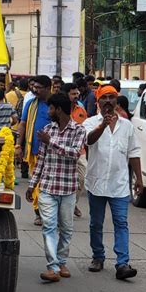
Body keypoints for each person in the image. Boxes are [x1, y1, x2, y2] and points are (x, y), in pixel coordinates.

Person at [83, 85, 143, 280]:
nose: (108, 101)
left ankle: (122, 263)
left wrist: (139, 179)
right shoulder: (90, 123)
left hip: (119, 184)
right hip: (97, 182)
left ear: (117, 100)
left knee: (121, 223)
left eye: (112, 97)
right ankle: (98, 257)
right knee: (96, 223)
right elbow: (88, 141)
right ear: (98, 102)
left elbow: (134, 153)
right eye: (104, 98)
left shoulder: (127, 126)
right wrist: (102, 126)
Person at [26, 93, 86, 282]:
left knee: (66, 229)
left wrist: (50, 142)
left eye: (51, 108)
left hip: (68, 189)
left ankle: (62, 262)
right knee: (49, 227)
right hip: (47, 187)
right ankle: (52, 267)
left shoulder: (78, 130)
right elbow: (41, 161)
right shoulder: (47, 130)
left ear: (58, 110)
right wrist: (31, 185)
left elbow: (75, 154)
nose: (49, 112)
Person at [15, 75, 52, 225]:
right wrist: (18, 146)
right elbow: (22, 124)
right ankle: (39, 212)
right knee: (36, 184)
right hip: (34, 150)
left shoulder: (56, 104)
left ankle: (49, 212)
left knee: (47, 184)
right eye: (33, 87)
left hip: (52, 151)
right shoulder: (30, 104)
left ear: (48, 88)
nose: (34, 90)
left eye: (38, 88)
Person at [63, 82, 87, 217]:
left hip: (80, 151)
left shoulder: (81, 110)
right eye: (73, 94)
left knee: (81, 179)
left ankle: (73, 204)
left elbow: (86, 129)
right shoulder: (60, 109)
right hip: (62, 149)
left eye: (77, 93)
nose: (76, 96)